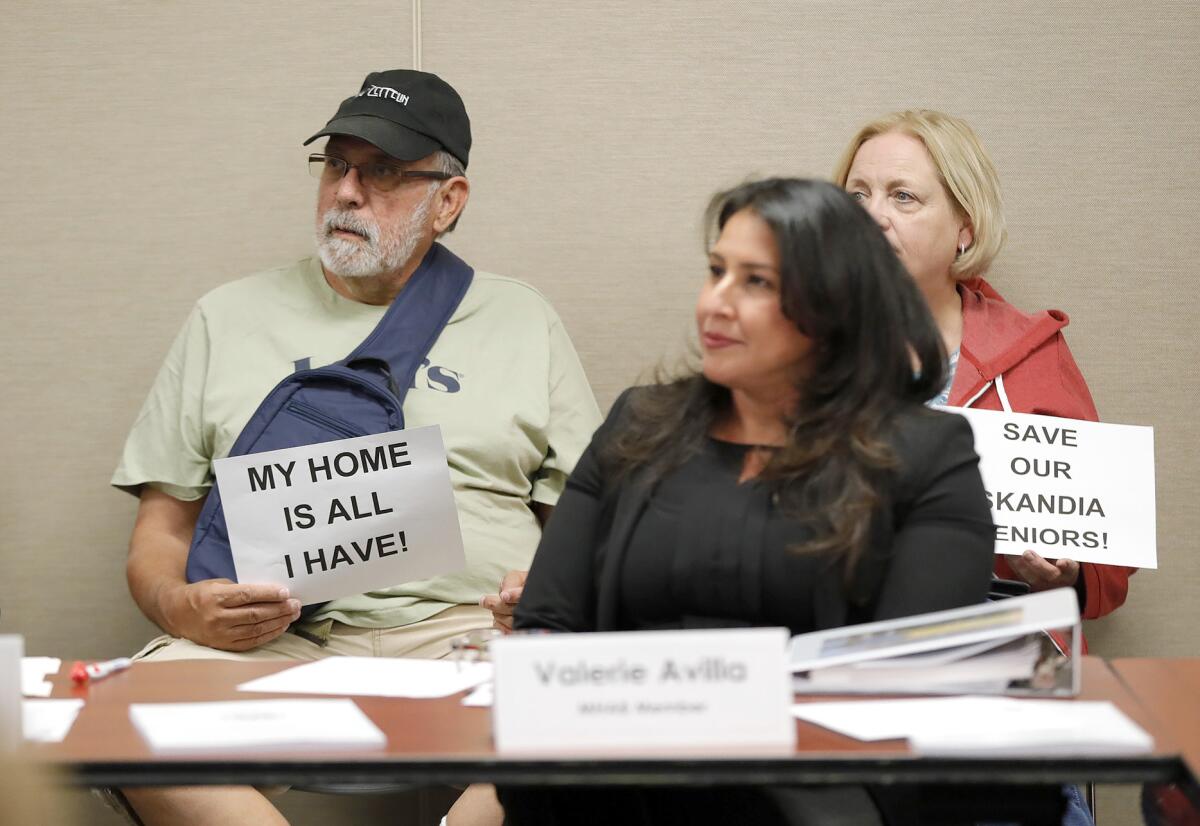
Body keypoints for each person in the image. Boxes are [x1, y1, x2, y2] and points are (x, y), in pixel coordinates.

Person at [107, 69, 600, 826]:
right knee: (122, 720)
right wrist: (182, 607)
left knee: (594, 711)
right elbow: (161, 530)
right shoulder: (226, 316)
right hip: (278, 644)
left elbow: (593, 527)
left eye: (385, 174)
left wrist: (546, 596)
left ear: (449, 201)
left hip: (465, 634)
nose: (346, 191)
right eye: (337, 164)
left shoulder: (522, 319)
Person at [497, 178, 998, 825]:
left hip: (816, 805)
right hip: (607, 797)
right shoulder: (638, 424)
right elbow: (546, 631)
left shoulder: (928, 455)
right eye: (716, 272)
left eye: (755, 282)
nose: (716, 303)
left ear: (834, 307)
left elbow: (904, 699)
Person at [833, 110, 1135, 635]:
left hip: (991, 660)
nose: (872, 216)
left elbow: (1108, 563)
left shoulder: (1033, 355)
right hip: (828, 645)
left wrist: (1063, 575)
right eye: (857, 195)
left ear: (965, 230)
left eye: (903, 196)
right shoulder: (794, 347)